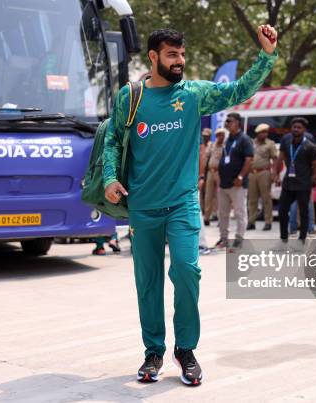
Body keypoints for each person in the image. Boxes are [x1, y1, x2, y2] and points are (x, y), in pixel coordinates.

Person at [103, 26, 279, 386]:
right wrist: (109, 178)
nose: (180, 61)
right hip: (143, 207)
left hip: (182, 204)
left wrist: (266, 55)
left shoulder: (195, 94)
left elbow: (238, 90)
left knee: (186, 271)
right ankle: (153, 351)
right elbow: (112, 142)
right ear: (153, 57)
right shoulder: (131, 97)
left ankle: (185, 349)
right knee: (148, 282)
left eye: (182, 54)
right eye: (172, 55)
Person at [275, 117, 316, 242]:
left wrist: (314, 177)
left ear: (304, 130)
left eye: (299, 127)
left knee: (304, 212)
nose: (296, 129)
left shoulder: (309, 146)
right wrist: (276, 174)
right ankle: (283, 238)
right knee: (282, 210)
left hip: (303, 183)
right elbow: (280, 158)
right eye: (294, 127)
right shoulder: (286, 140)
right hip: (288, 183)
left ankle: (302, 239)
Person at [216, 112, 254, 249]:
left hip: (237, 183)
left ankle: (239, 239)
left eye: (229, 121)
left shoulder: (244, 139)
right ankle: (223, 239)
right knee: (223, 213)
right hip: (224, 183)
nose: (226, 123)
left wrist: (240, 176)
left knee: (239, 212)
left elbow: (249, 159)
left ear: (237, 122)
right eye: (226, 121)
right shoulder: (227, 140)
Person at [247, 123, 278, 231]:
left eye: (266, 132)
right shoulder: (251, 143)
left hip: (264, 172)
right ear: (258, 133)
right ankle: (251, 222)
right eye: (263, 132)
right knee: (252, 199)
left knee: (266, 199)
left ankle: (268, 222)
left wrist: (274, 173)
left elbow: (275, 159)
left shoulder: (270, 144)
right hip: (252, 173)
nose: (265, 134)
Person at [286, 125, 316, 235]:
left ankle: (293, 227)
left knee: (294, 202)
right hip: (305, 175)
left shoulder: (290, 139)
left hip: (294, 175)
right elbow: (314, 160)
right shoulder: (309, 139)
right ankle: (310, 228)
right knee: (307, 203)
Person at [203, 128, 225, 225]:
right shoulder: (212, 145)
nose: (220, 137)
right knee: (208, 195)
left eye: (222, 135)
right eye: (218, 135)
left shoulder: (225, 146)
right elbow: (206, 157)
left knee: (220, 195)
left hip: (220, 172)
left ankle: (220, 218)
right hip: (210, 172)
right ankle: (207, 217)